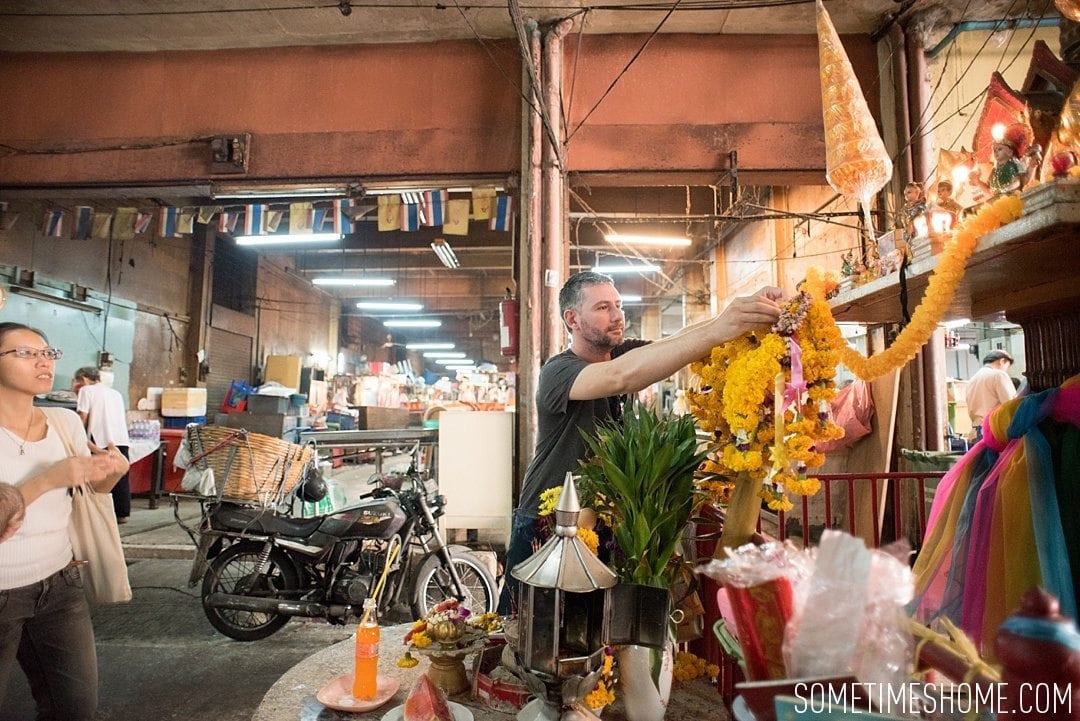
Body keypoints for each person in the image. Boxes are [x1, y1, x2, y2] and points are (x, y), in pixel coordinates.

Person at [497, 272, 784, 614]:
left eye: (618, 305)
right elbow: (625, 376)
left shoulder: (623, 352)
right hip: (550, 519)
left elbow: (678, 341)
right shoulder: (558, 372)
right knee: (525, 622)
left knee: (588, 627)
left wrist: (741, 314)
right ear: (572, 319)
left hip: (605, 518)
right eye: (603, 307)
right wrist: (723, 326)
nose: (617, 315)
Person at [0, 322, 129, 721]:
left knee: (74, 708)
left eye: (47, 352)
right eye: (24, 353)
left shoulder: (64, 422)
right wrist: (50, 478)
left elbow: (94, 489)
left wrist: (111, 470)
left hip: (59, 584)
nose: (43, 361)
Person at [74, 366, 132, 523]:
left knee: (100, 477)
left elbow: (83, 416)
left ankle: (97, 513)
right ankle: (122, 513)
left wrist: (74, 433)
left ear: (84, 379)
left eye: (75, 381)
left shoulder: (86, 390)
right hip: (121, 438)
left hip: (100, 438)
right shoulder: (115, 393)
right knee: (121, 475)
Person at [965, 349, 1017, 441]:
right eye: (1007, 367)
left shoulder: (972, 379)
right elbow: (1010, 405)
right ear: (1002, 361)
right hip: (994, 432)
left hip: (976, 432)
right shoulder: (999, 375)